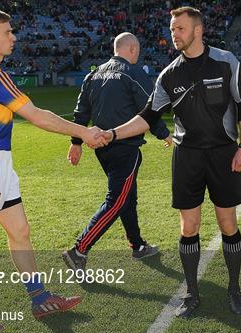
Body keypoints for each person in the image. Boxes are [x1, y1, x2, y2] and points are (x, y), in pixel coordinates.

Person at [0, 8, 106, 333]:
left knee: (20, 230)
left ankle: (39, 299)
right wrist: (84, 132)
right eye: (7, 32)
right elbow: (38, 116)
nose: (14, 37)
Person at [102, 7, 241, 318]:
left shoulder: (226, 61)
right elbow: (147, 116)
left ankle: (235, 288)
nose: (175, 34)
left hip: (224, 154)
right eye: (173, 29)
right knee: (190, 226)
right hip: (187, 156)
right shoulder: (169, 74)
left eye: (180, 28)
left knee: (228, 224)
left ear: (197, 30)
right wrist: (112, 133)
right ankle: (192, 293)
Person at [62, 33, 172, 271]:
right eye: (138, 49)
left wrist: (76, 142)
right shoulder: (132, 72)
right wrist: (164, 133)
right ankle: (79, 250)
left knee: (127, 198)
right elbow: (150, 108)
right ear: (132, 48)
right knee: (117, 200)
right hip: (125, 147)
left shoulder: (94, 73)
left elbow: (81, 111)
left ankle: (137, 245)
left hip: (102, 149)